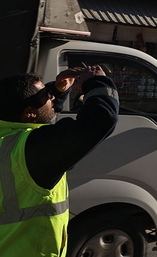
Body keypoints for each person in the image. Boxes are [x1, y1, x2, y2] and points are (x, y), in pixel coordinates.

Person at [0, 66, 119, 256]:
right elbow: (101, 119)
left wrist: (57, 90)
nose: (51, 98)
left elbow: (43, 129)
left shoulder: (8, 141)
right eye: (46, 97)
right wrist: (96, 83)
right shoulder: (29, 150)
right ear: (29, 112)